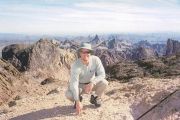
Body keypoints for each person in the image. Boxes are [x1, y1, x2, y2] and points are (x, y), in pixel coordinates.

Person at [65, 42, 108, 115]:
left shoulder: (96, 60)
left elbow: (102, 74)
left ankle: (95, 98)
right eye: (83, 52)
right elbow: (74, 84)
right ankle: (78, 99)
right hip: (80, 86)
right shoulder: (75, 66)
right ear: (80, 53)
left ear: (90, 53)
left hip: (92, 84)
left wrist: (92, 83)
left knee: (104, 83)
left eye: (87, 52)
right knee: (68, 94)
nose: (85, 54)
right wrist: (77, 101)